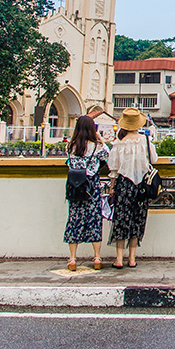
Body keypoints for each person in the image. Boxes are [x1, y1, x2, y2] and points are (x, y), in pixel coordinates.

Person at [107, 107, 158, 268]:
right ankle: (132, 258)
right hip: (141, 186)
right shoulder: (146, 141)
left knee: (121, 220)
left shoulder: (118, 143)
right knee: (137, 220)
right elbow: (154, 159)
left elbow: (113, 169)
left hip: (123, 185)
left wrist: (112, 188)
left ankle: (119, 258)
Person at [64, 115, 109, 271]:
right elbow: (107, 156)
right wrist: (100, 138)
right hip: (91, 187)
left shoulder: (70, 146)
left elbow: (69, 163)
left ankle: (72, 259)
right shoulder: (96, 147)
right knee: (94, 220)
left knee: (74, 220)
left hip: (74, 187)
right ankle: (96, 257)